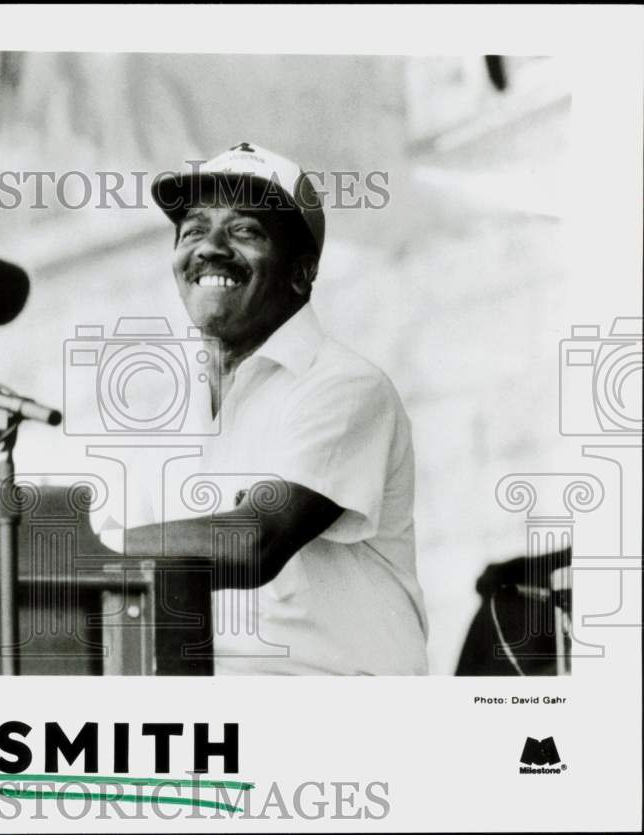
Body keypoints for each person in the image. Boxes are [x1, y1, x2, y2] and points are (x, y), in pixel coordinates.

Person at [103, 142, 428, 675]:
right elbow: (120, 588)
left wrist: (70, 547)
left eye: (245, 230)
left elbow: (255, 540)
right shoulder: (164, 416)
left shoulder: (344, 385)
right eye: (193, 230)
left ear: (301, 272)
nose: (210, 248)